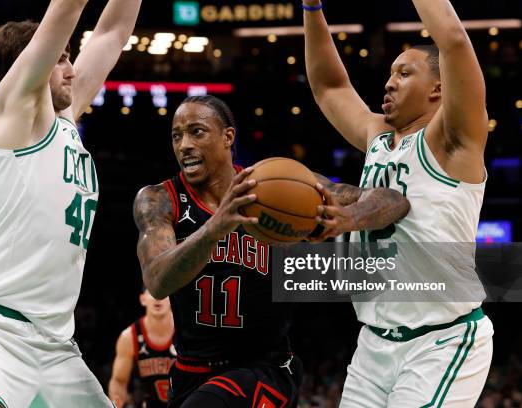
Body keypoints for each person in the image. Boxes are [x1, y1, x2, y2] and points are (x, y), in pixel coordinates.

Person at [133, 95, 410, 407]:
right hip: (191, 371)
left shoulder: (274, 187)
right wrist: (213, 229)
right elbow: (157, 281)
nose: (184, 144)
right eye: (176, 135)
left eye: (196, 132)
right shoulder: (159, 200)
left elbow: (394, 201)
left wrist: (348, 219)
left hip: (264, 368)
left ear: (228, 137)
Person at [0, 0, 142, 406]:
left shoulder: (65, 120)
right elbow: (66, 10)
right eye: (62, 57)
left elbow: (112, 33)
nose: (72, 68)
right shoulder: (13, 113)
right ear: (31, 64)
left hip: (55, 344)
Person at [303, 0, 493, 406]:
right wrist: (312, 6)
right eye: (390, 73)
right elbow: (330, 87)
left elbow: (455, 42)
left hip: (441, 340)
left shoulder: (452, 140)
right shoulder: (377, 134)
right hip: (373, 343)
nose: (389, 83)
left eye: (404, 73)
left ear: (438, 89)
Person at [108, 288, 176, 407]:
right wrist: (119, 403)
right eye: (152, 293)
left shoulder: (186, 332)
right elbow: (118, 381)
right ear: (143, 299)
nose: (158, 298)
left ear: (173, 299)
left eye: (163, 293)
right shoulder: (129, 337)